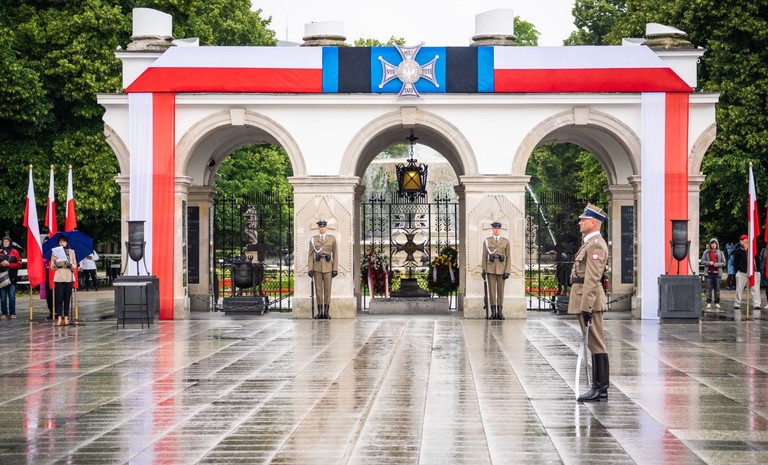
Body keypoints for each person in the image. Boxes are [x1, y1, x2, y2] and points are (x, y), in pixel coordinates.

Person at [568, 203, 609, 402]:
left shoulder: (596, 245)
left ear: (594, 222)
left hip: (589, 300)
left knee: (596, 343)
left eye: (583, 220)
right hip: (583, 297)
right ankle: (598, 387)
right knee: (592, 343)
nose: (580, 222)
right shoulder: (589, 243)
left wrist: (587, 307)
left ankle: (601, 388)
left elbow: (592, 278)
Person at [481, 220, 511, 320]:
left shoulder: (506, 241)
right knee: (492, 291)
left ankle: (500, 312)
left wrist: (507, 271)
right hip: (491, 269)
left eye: (498, 228)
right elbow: (484, 256)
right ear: (492, 229)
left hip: (502, 269)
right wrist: (483, 269)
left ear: (500, 229)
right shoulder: (487, 241)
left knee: (501, 292)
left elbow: (509, 257)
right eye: (495, 228)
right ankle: (493, 312)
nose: (496, 230)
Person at [307, 220, 337, 319]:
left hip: (328, 267)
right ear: (318, 228)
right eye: (320, 227)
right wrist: (310, 268)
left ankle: (326, 312)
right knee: (318, 290)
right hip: (317, 267)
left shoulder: (332, 239)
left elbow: (335, 254)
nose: (322, 228)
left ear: (326, 227)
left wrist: (335, 268)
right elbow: (310, 254)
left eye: (323, 226)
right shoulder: (313, 239)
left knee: (327, 290)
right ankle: (320, 312)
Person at [731, 234, 762, 320]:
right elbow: (735, 262)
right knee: (739, 289)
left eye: (742, 239)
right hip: (742, 272)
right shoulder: (738, 250)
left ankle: (757, 304)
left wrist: (758, 270)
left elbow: (757, 260)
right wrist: (737, 271)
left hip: (753, 272)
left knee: (755, 289)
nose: (740, 241)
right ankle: (737, 304)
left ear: (746, 240)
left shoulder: (753, 249)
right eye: (740, 239)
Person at [51, 234, 77, 326]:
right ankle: (59, 317)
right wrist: (54, 261)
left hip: (69, 276)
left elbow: (75, 265)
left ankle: (66, 317)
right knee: (59, 298)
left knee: (67, 297)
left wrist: (71, 264)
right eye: (60, 242)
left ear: (66, 243)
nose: (62, 243)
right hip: (59, 276)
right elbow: (52, 267)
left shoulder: (71, 252)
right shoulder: (55, 252)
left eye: (64, 241)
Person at [700, 238, 726, 311]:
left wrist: (717, 264)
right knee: (708, 288)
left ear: (717, 244)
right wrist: (709, 263)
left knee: (717, 288)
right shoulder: (706, 252)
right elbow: (702, 261)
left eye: (715, 244)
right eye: (712, 243)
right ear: (710, 244)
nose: (713, 245)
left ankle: (717, 302)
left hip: (717, 273)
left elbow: (724, 263)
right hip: (708, 273)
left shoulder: (720, 252)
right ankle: (708, 302)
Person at [0, 236, 23, 320]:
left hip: (12, 277)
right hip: (2, 278)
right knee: (3, 297)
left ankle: (12, 313)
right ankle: (4, 313)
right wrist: (1, 264)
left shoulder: (15, 252)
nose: (5, 243)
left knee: (12, 296)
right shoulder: (0, 252)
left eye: (7, 241)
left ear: (10, 243)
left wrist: (9, 265)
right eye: (4, 242)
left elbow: (19, 263)